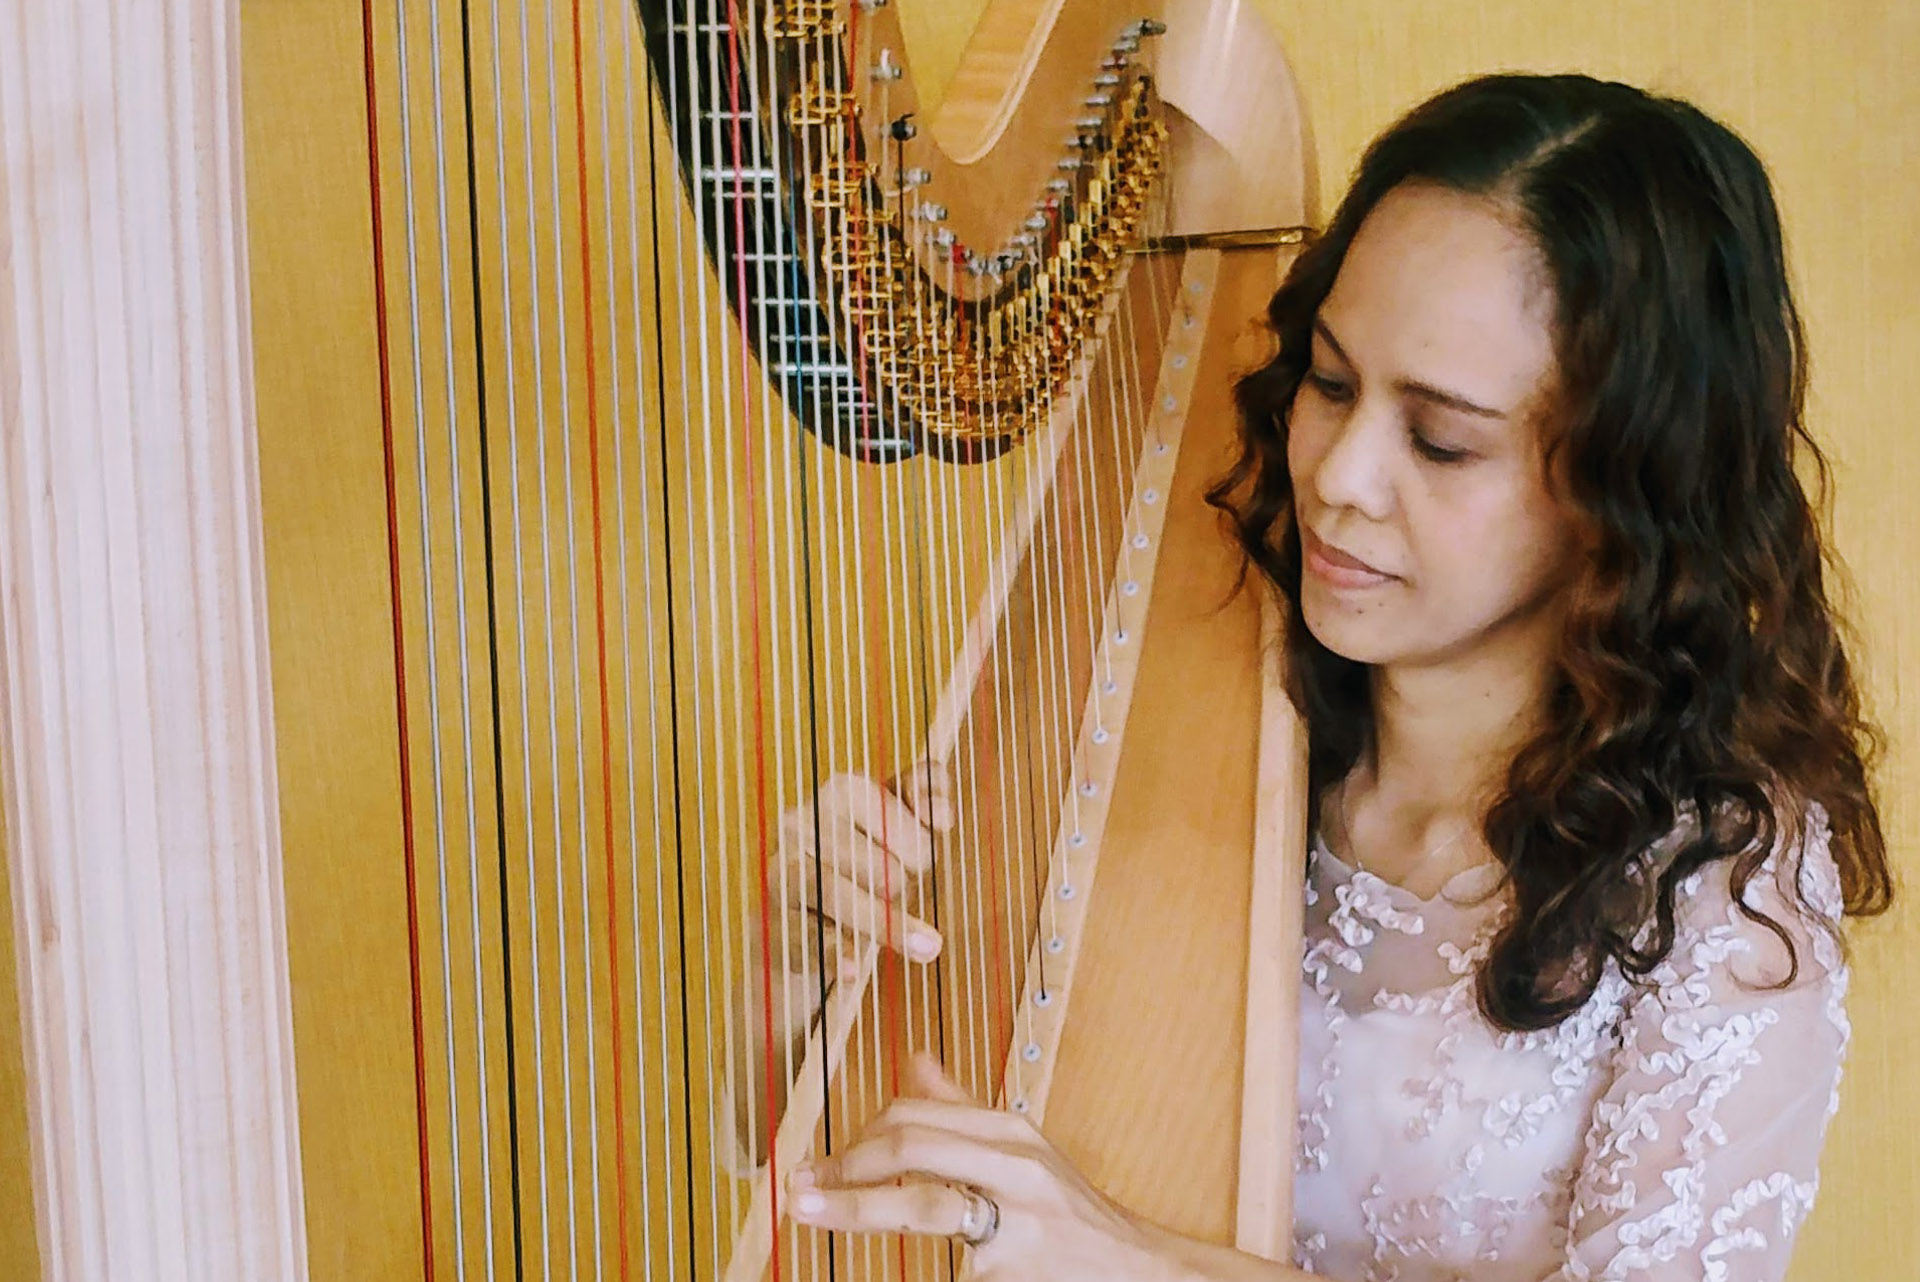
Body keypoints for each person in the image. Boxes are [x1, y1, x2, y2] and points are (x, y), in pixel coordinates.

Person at [754, 72, 1895, 1281]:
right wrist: (801, 987)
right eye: (1333, 382)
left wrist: (1136, 1260)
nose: (1340, 475)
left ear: (1627, 493)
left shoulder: (1720, 889)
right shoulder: (1193, 714)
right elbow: (882, 1183)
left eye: (1441, 439)